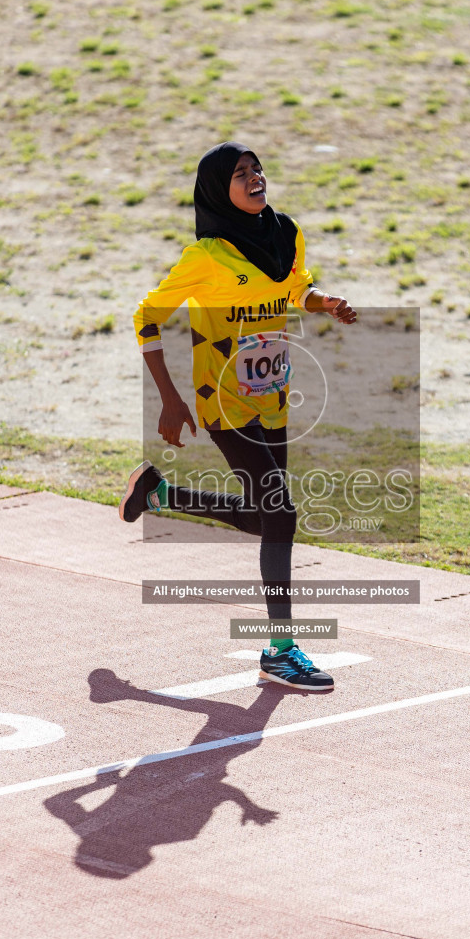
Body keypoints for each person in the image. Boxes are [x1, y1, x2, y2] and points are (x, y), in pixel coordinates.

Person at [119, 141, 356, 691]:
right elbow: (146, 316)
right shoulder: (204, 257)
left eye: (258, 169)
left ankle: (160, 494)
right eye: (241, 173)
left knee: (264, 514)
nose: (255, 178)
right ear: (216, 190)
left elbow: (296, 285)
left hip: (273, 395)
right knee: (283, 513)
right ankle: (280, 649)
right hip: (222, 402)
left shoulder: (285, 232)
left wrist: (327, 302)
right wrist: (170, 398)